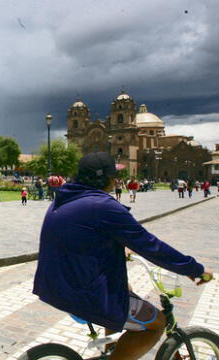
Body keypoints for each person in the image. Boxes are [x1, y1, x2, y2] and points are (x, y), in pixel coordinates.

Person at [33, 152, 213, 360]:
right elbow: (151, 246)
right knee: (157, 324)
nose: (117, 179)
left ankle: (110, 350)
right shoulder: (104, 206)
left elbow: (81, 237)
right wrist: (194, 269)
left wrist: (117, 247)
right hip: (82, 292)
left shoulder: (64, 199)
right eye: (114, 175)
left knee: (126, 289)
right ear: (106, 178)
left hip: (54, 286)